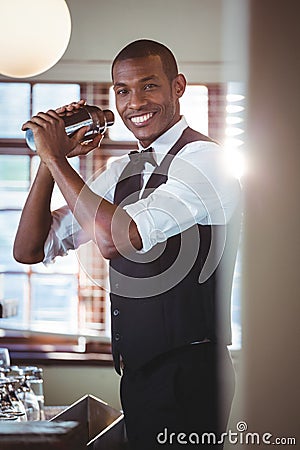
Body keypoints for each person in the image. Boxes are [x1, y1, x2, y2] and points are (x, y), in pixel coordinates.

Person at [14, 39, 241, 449]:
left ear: (178, 87)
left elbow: (115, 239)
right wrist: (51, 161)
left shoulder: (207, 161)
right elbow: (30, 249)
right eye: (122, 90)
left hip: (191, 375)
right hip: (138, 376)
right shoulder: (120, 172)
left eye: (149, 86)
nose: (135, 101)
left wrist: (58, 160)